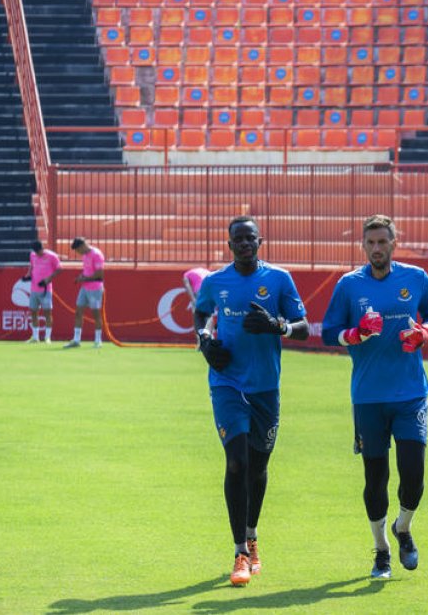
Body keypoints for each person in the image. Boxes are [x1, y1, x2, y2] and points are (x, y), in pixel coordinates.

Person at [321, 214, 428, 579]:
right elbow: (328, 331)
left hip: (410, 394)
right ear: (363, 245)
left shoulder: (416, 278)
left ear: (394, 243)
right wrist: (354, 335)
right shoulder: (348, 285)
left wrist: (424, 332)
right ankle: (381, 550)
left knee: (414, 475)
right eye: (370, 242)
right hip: (369, 397)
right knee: (375, 478)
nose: (377, 248)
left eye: (382, 241)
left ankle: (403, 527)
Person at [193, 216, 309, 586]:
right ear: (229, 245)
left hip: (265, 388)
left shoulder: (279, 279)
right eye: (237, 239)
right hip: (227, 383)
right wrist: (204, 341)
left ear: (260, 242)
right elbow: (201, 312)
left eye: (249, 238)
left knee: (258, 467)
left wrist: (279, 327)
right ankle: (240, 551)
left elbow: (303, 327)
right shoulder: (216, 282)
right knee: (237, 463)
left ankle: (252, 534)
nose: (243, 244)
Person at [63, 237, 105, 348]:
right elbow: (87, 271)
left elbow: (99, 275)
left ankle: (98, 340)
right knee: (78, 313)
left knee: (96, 314)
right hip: (85, 288)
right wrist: (80, 277)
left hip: (95, 289)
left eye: (77, 250)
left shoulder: (97, 255)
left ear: (82, 246)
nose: (78, 253)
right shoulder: (85, 255)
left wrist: (84, 279)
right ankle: (76, 340)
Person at [22, 240, 62, 343]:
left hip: (46, 289)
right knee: (33, 312)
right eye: (35, 252)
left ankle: (47, 337)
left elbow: (59, 269)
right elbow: (31, 266)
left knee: (47, 313)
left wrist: (48, 279)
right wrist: (28, 275)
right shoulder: (33, 255)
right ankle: (35, 337)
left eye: (38, 251)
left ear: (42, 248)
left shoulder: (52, 256)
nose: (37, 254)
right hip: (34, 289)